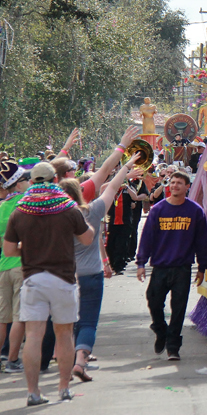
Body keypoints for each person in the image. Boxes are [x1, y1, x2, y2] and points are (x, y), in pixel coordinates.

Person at [2, 162, 94, 406]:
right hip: (63, 278)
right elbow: (87, 239)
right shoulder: (68, 209)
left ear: (31, 182)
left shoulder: (20, 212)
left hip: (32, 279)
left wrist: (31, 248)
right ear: (56, 181)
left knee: (33, 335)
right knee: (64, 335)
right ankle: (63, 388)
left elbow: (9, 250)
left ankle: (33, 392)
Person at [59, 154, 138, 383]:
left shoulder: (55, 217)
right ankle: (81, 361)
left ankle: (68, 359)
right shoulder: (92, 211)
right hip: (91, 274)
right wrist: (125, 167)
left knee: (69, 321)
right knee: (89, 321)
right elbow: (111, 187)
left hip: (66, 276)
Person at [136, 171, 207, 361]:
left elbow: (202, 241)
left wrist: (202, 267)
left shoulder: (195, 211)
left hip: (182, 268)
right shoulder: (158, 210)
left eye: (179, 183)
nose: (175, 185)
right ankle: (161, 330)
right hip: (160, 267)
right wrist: (141, 262)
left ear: (187, 187)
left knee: (178, 309)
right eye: (173, 182)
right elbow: (146, 238)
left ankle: (173, 347)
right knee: (153, 302)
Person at [0, 161, 30, 373]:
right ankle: (12, 359)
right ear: (17, 185)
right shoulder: (26, 204)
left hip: (2, 266)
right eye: (25, 180)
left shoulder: (1, 207)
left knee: (3, 318)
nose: (29, 182)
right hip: (22, 264)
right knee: (20, 317)